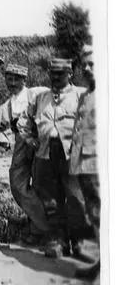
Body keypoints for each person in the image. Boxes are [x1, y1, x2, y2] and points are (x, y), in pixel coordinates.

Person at [18, 58, 88, 259]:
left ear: (70, 74)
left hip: (73, 155)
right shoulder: (40, 98)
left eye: (61, 73)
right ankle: (58, 241)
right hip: (45, 154)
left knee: (76, 199)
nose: (56, 77)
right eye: (53, 73)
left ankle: (80, 242)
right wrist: (30, 140)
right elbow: (24, 122)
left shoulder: (82, 95)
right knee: (50, 201)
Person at [0, 63, 50, 244]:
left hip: (44, 142)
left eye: (16, 79)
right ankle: (46, 227)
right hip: (22, 144)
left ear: (24, 80)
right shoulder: (8, 105)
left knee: (41, 185)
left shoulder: (38, 93)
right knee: (17, 184)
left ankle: (38, 231)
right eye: (9, 78)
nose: (12, 82)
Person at [70, 45, 100, 285]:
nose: (87, 69)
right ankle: (101, 265)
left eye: (93, 64)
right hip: (84, 164)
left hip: (101, 166)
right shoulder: (85, 96)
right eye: (85, 65)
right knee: (95, 216)